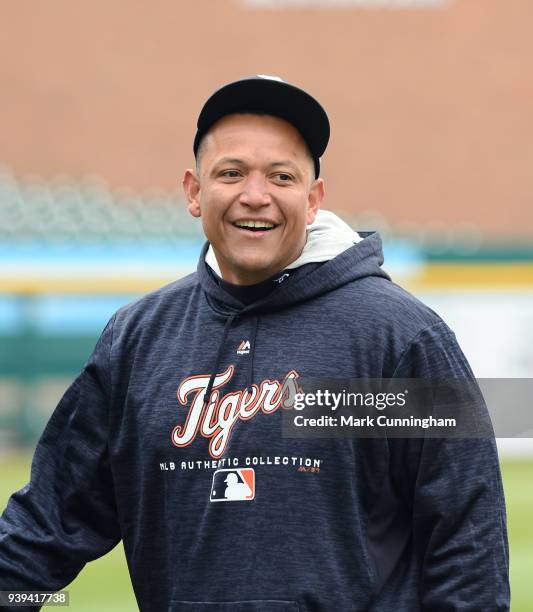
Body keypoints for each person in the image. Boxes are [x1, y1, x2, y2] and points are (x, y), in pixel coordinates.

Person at [0, 75, 510, 611]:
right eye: (232, 172)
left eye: (281, 176)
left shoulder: (402, 337)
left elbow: (467, 543)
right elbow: (47, 529)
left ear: (313, 200)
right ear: (194, 193)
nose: (256, 196)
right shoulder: (137, 339)